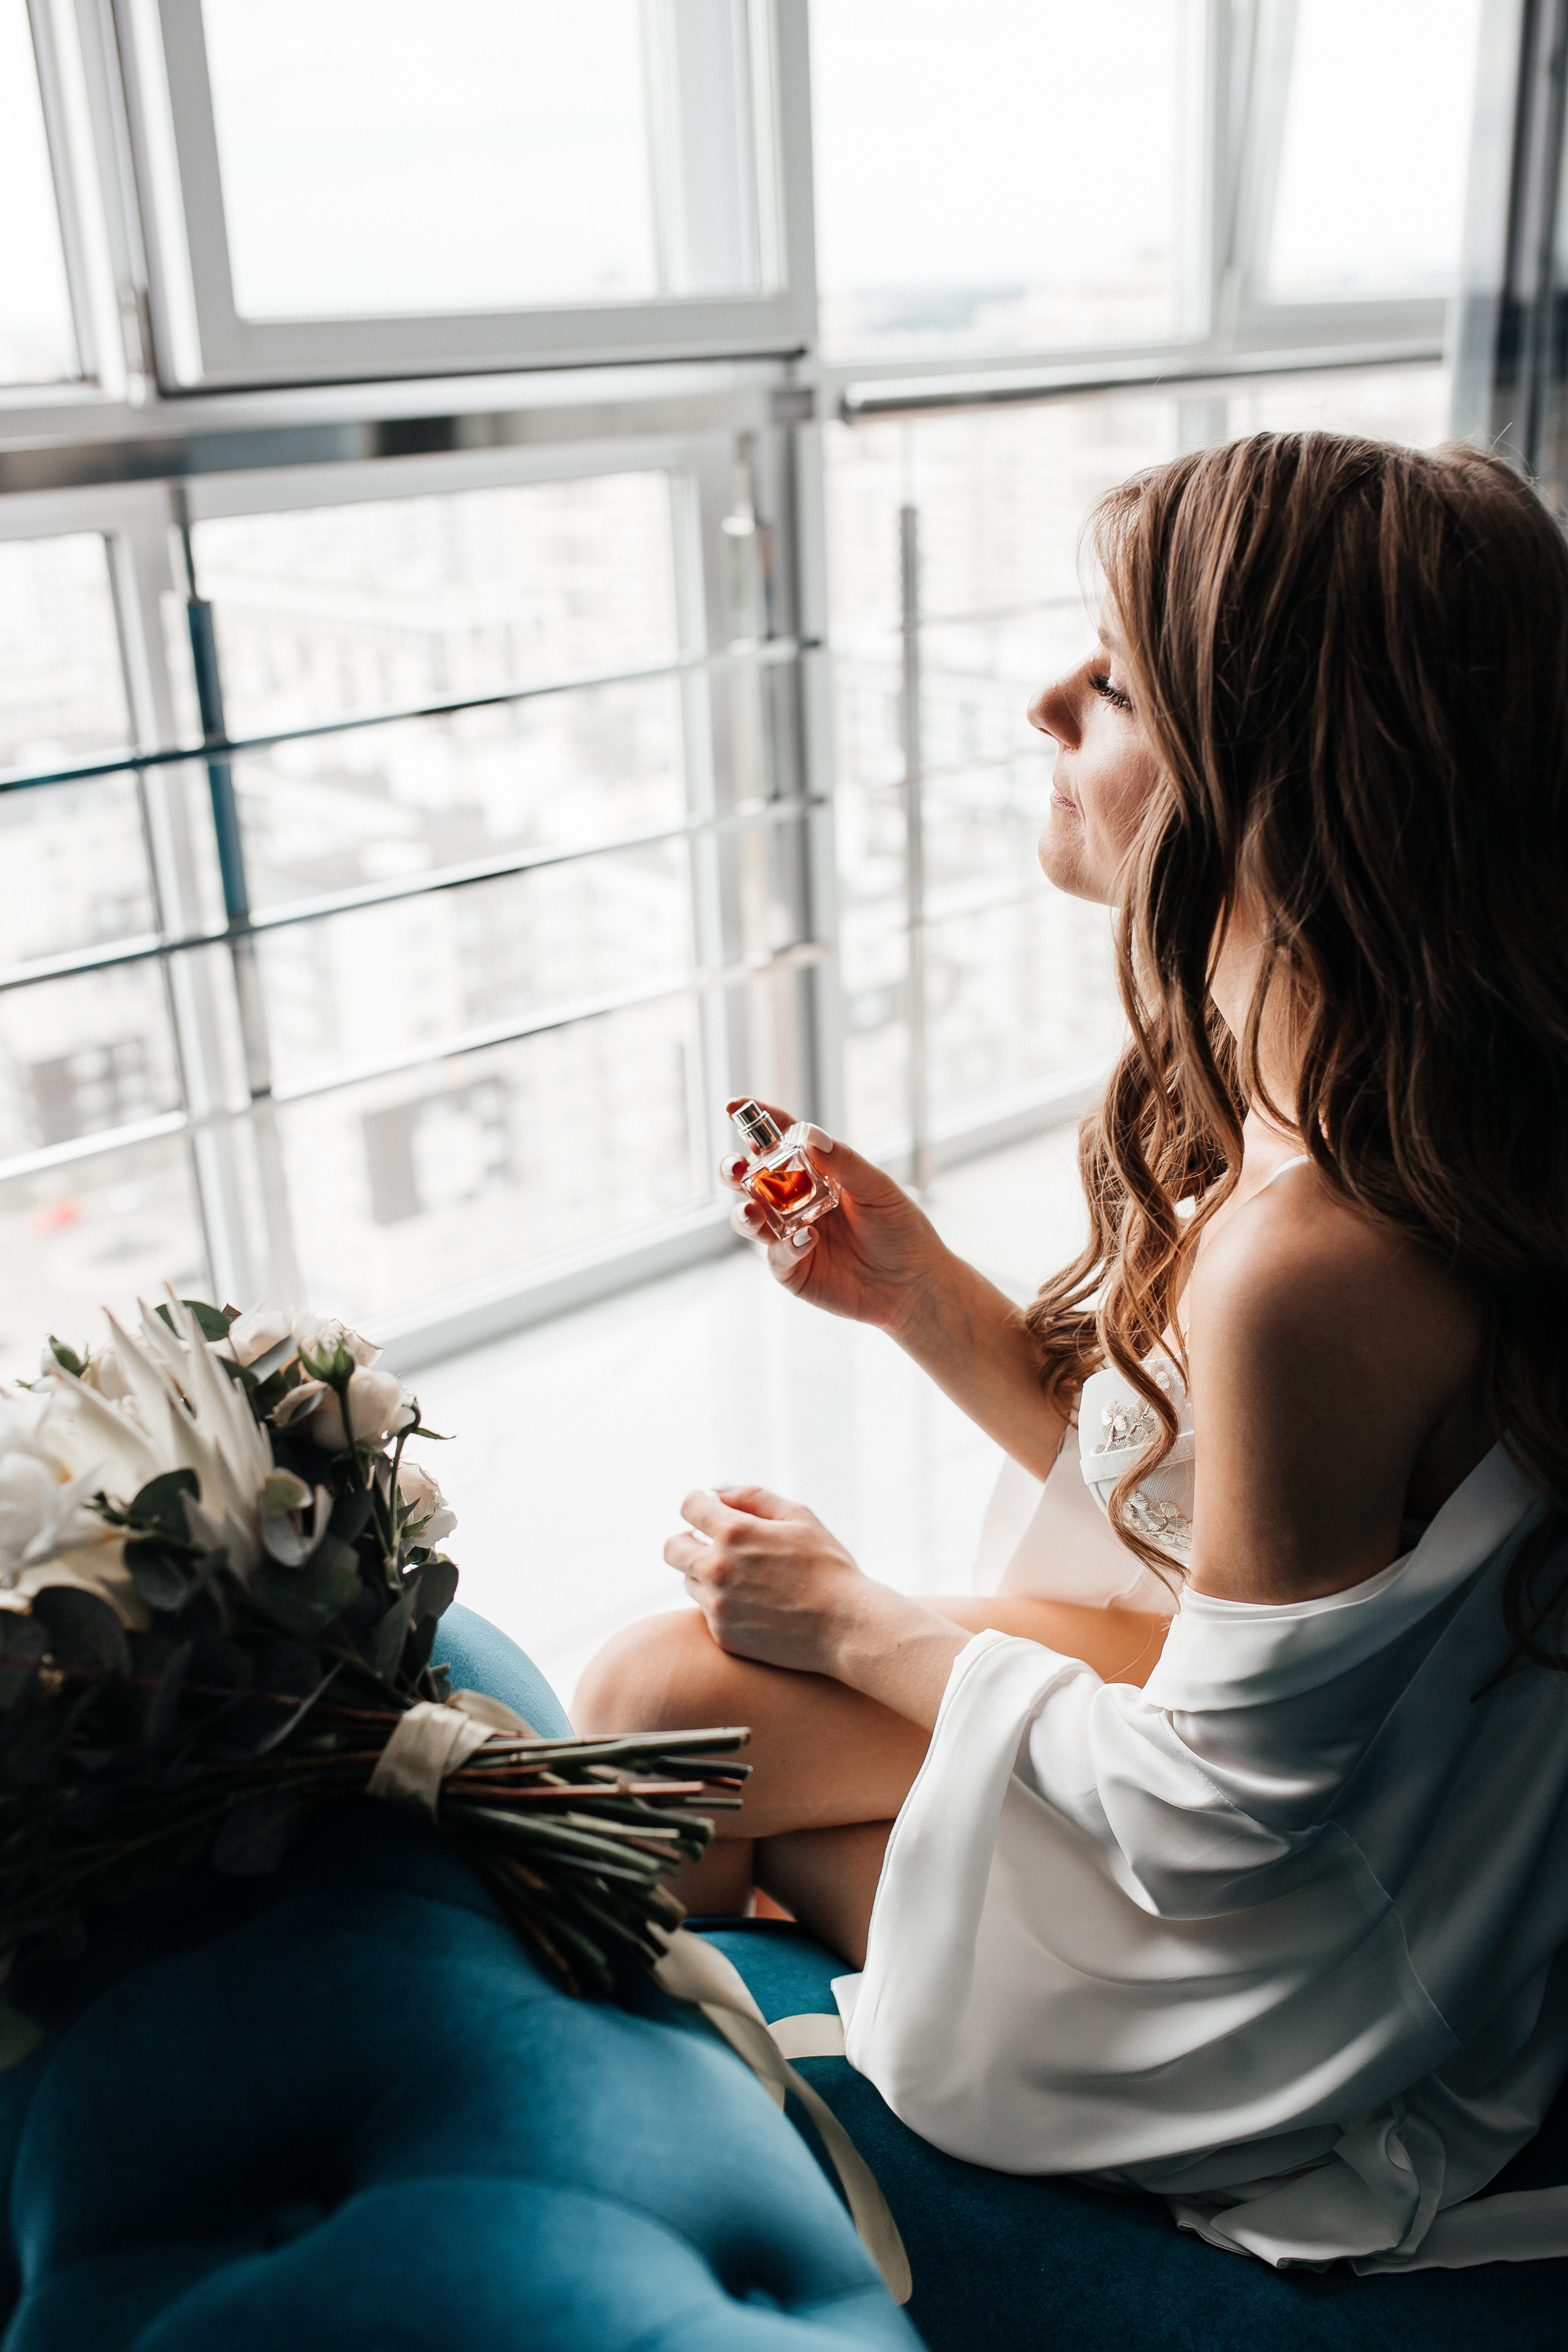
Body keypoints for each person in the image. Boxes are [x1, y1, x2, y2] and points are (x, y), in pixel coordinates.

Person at [574, 432, 1568, 2272]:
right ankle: (731, 2067)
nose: (1043, 702)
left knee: (651, 1713)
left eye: (1111, 683)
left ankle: (713, 2194)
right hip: (1347, 1803)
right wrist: (923, 1296)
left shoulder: (1320, 1254)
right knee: (669, 1714)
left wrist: (853, 1620)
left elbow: (1210, 1826)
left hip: (1300, 1961)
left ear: (1289, 787)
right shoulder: (1353, 1098)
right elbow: (1232, 1540)